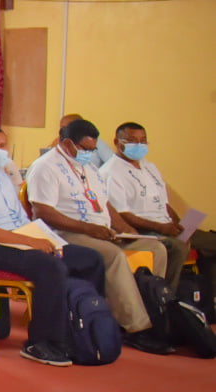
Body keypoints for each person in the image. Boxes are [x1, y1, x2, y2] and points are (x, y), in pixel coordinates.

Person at [0, 126, 111, 365]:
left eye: (3, 145)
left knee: (90, 259)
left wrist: (50, 241)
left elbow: (22, 219)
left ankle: (83, 329)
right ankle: (42, 343)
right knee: (50, 267)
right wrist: (32, 242)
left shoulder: (3, 176)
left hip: (20, 238)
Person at [26, 117, 171, 354]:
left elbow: (105, 205)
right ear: (66, 143)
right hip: (66, 233)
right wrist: (90, 230)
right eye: (85, 149)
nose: (89, 154)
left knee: (155, 249)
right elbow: (43, 212)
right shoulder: (46, 167)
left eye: (93, 149)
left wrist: (125, 229)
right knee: (114, 257)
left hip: (101, 231)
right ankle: (137, 327)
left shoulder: (89, 167)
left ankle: (155, 311)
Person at [105, 121, 215, 309]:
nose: (138, 146)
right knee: (178, 247)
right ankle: (165, 303)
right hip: (144, 230)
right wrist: (162, 228)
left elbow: (164, 203)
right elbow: (123, 214)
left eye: (143, 141)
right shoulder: (111, 172)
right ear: (117, 142)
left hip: (167, 227)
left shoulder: (150, 167)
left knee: (211, 242)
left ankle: (208, 302)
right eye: (132, 141)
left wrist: (180, 224)